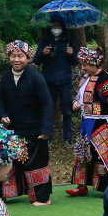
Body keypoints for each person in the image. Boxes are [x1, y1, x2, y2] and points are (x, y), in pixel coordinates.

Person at [0, 40, 54, 206]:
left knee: (36, 164)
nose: (16, 59)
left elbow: (47, 104)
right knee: (7, 163)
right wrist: (3, 114)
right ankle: (2, 196)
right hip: (13, 131)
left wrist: (46, 130)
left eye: (20, 56)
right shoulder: (6, 77)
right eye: (13, 56)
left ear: (28, 58)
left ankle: (43, 198)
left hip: (35, 131)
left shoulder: (36, 77)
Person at [66, 47, 108, 196]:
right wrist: (76, 102)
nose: (83, 67)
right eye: (82, 64)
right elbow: (80, 95)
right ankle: (82, 185)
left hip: (101, 124)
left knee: (103, 155)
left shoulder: (106, 80)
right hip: (86, 123)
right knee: (83, 153)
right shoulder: (85, 77)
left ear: (95, 64)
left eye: (86, 64)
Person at [33, 14, 78, 146]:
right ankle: (48, 136)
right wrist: (43, 53)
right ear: (50, 27)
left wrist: (71, 54)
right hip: (48, 80)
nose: (56, 28)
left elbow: (75, 61)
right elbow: (36, 60)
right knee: (48, 109)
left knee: (67, 110)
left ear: (63, 27)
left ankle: (68, 138)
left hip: (65, 80)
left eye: (58, 26)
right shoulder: (45, 40)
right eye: (54, 26)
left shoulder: (69, 40)